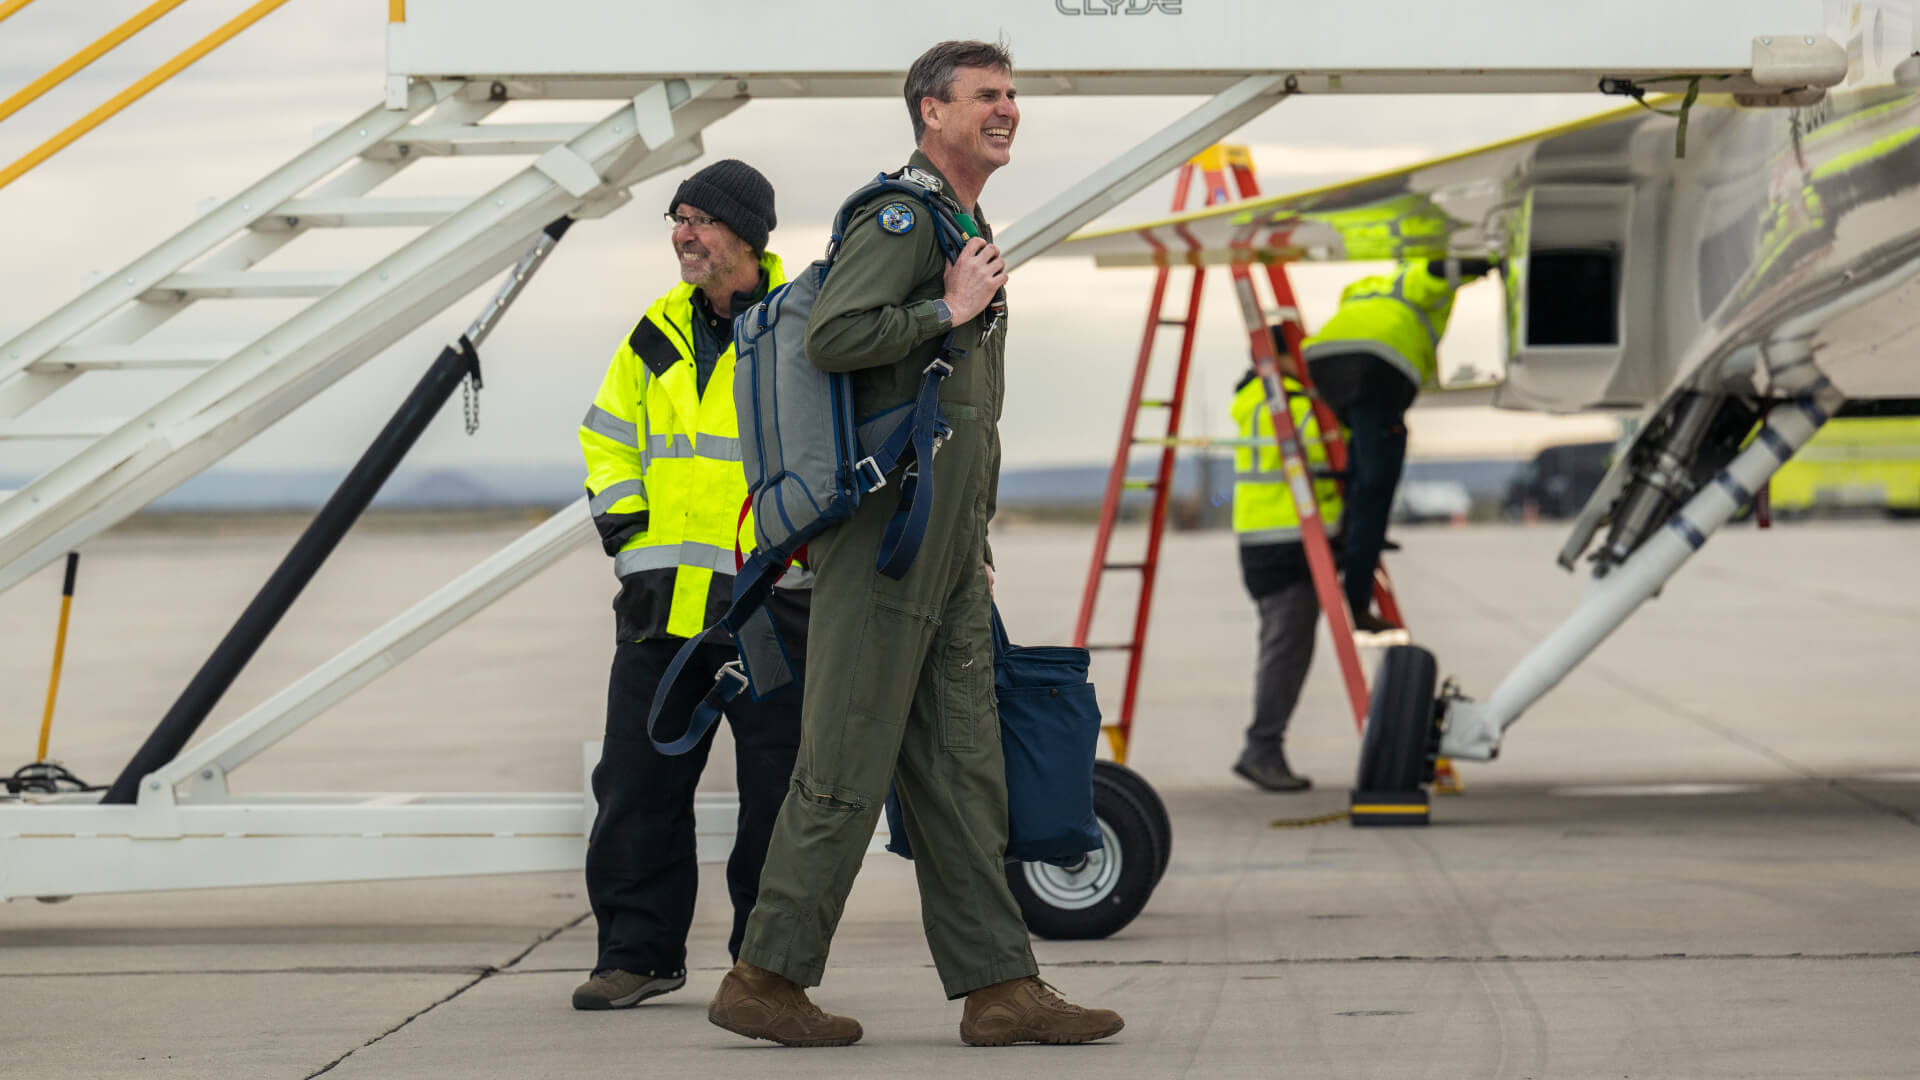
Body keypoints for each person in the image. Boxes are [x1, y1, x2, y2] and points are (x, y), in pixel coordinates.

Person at [707, 40, 1123, 1048]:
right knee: (849, 752)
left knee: (963, 765)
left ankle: (999, 986)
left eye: (1012, 94)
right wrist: (950, 305)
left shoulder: (960, 219)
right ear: (931, 112)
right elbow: (836, 336)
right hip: (886, 540)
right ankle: (764, 975)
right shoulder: (900, 217)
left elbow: (957, 411)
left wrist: (971, 535)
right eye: (986, 95)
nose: (1007, 109)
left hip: (940, 543)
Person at [572, 160, 812, 1010]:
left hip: (769, 612)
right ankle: (637, 954)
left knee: (777, 797)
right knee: (636, 786)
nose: (683, 233)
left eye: (700, 220)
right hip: (658, 608)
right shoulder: (653, 333)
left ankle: (766, 967)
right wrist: (630, 533)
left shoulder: (802, 326)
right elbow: (605, 438)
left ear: (746, 235)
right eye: (677, 218)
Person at [1302, 257, 1490, 631]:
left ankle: (1349, 528)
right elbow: (1436, 270)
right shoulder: (1410, 279)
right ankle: (1356, 598)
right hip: (1375, 366)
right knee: (1377, 481)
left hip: (1325, 364)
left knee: (1365, 453)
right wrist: (1487, 262)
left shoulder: (1366, 288)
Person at [1229, 335, 1344, 792]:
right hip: (1289, 541)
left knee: (1283, 645)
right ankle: (1262, 747)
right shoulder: (1288, 404)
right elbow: (1325, 451)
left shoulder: (1249, 397)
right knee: (1285, 650)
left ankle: (1264, 745)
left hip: (1265, 539)